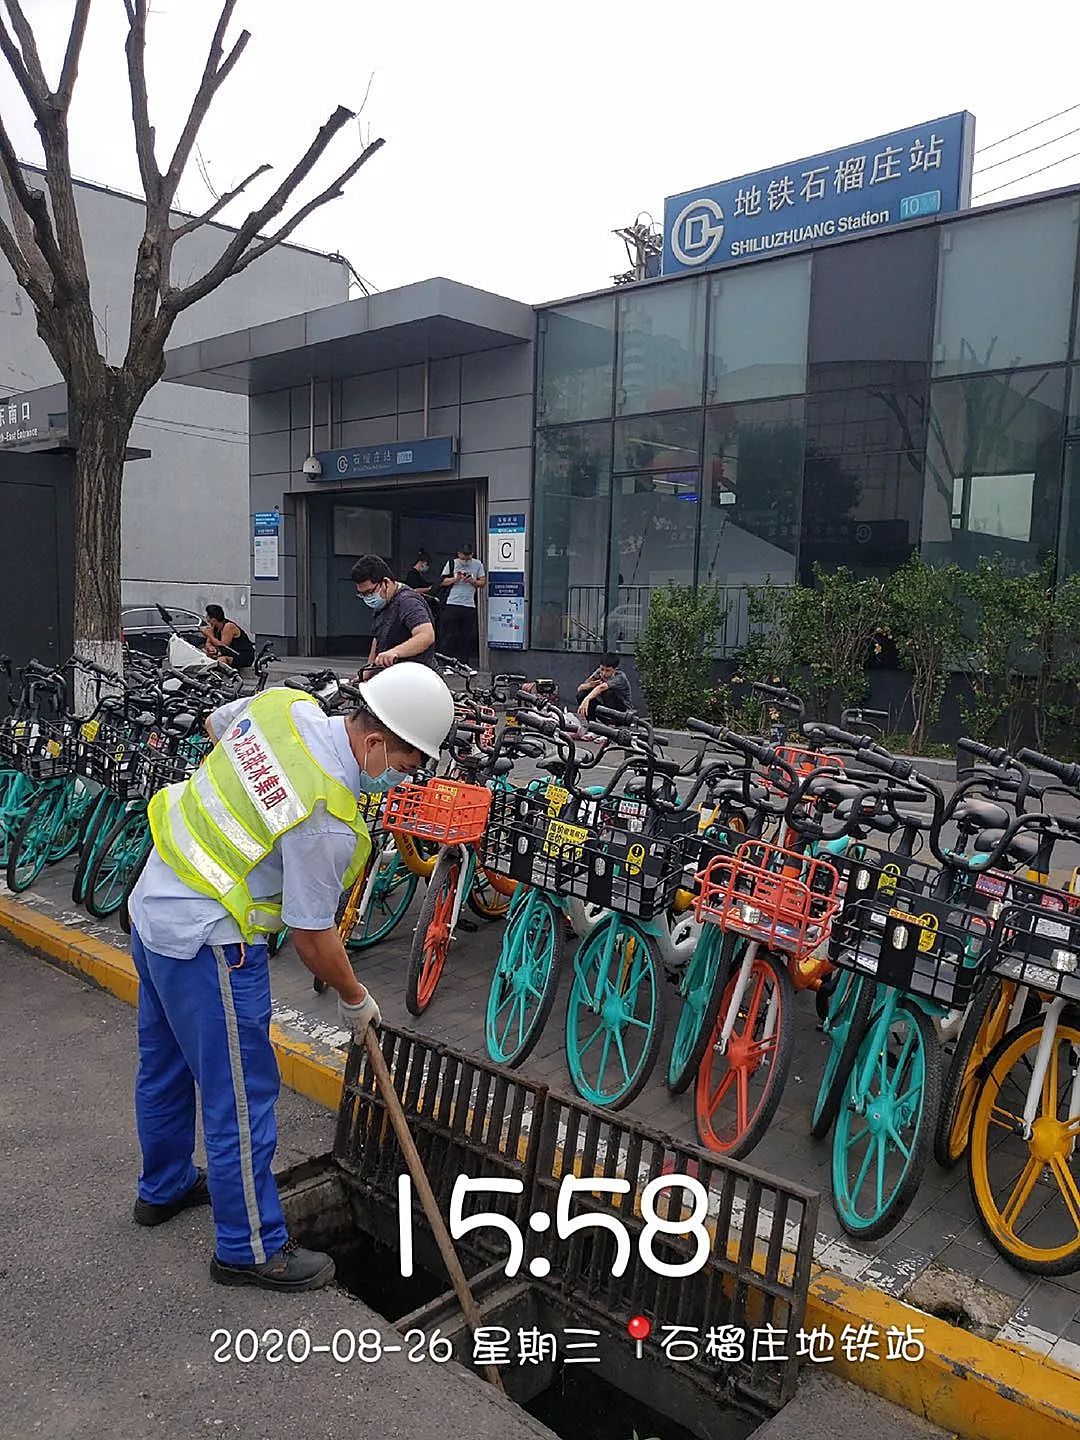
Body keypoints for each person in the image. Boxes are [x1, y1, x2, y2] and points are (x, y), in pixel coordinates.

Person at [126, 664, 455, 1292]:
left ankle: (162, 1188)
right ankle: (248, 1250)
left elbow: (217, 724)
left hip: (154, 903)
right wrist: (356, 999)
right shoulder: (326, 812)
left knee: (164, 1065)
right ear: (378, 741)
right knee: (243, 1098)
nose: (404, 776)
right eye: (409, 762)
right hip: (209, 942)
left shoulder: (287, 708)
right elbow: (311, 936)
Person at [352, 554, 436, 675]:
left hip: (417, 678)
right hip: (391, 678)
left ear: (386, 582)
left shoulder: (408, 601)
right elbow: (378, 638)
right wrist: (368, 670)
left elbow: (426, 635)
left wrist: (395, 652)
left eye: (369, 592)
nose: (368, 598)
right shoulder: (382, 604)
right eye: (363, 595)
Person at [438, 542, 486, 661]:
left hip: (468, 604)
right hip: (452, 603)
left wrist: (471, 581)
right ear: (458, 554)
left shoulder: (477, 564)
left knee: (465, 636)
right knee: (448, 634)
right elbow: (442, 581)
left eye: (468, 557)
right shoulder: (452, 563)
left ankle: (464, 662)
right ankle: (446, 661)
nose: (465, 560)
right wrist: (456, 579)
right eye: (463, 557)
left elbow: (482, 583)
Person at [576, 653, 632, 729]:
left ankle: (613, 727)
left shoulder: (620, 677)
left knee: (608, 693)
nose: (604, 673)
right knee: (581, 694)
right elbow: (580, 688)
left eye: (608, 670)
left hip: (622, 711)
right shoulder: (598, 673)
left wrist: (587, 700)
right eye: (602, 669)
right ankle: (592, 725)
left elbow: (601, 688)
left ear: (615, 669)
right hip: (604, 707)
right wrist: (590, 685)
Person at [201, 604, 255, 672]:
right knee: (203, 653)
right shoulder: (214, 627)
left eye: (207, 616)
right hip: (230, 654)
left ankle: (221, 679)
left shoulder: (228, 626)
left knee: (221, 660)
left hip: (242, 655)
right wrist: (211, 648)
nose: (207, 619)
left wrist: (208, 634)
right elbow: (208, 643)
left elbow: (223, 646)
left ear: (214, 619)